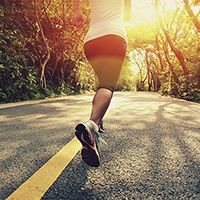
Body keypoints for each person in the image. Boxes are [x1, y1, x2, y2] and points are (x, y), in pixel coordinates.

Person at [73, 0, 131, 167]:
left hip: (91, 42)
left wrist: (77, 10)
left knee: (102, 85)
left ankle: (96, 127)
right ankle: (92, 126)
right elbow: (127, 16)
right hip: (114, 37)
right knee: (107, 85)